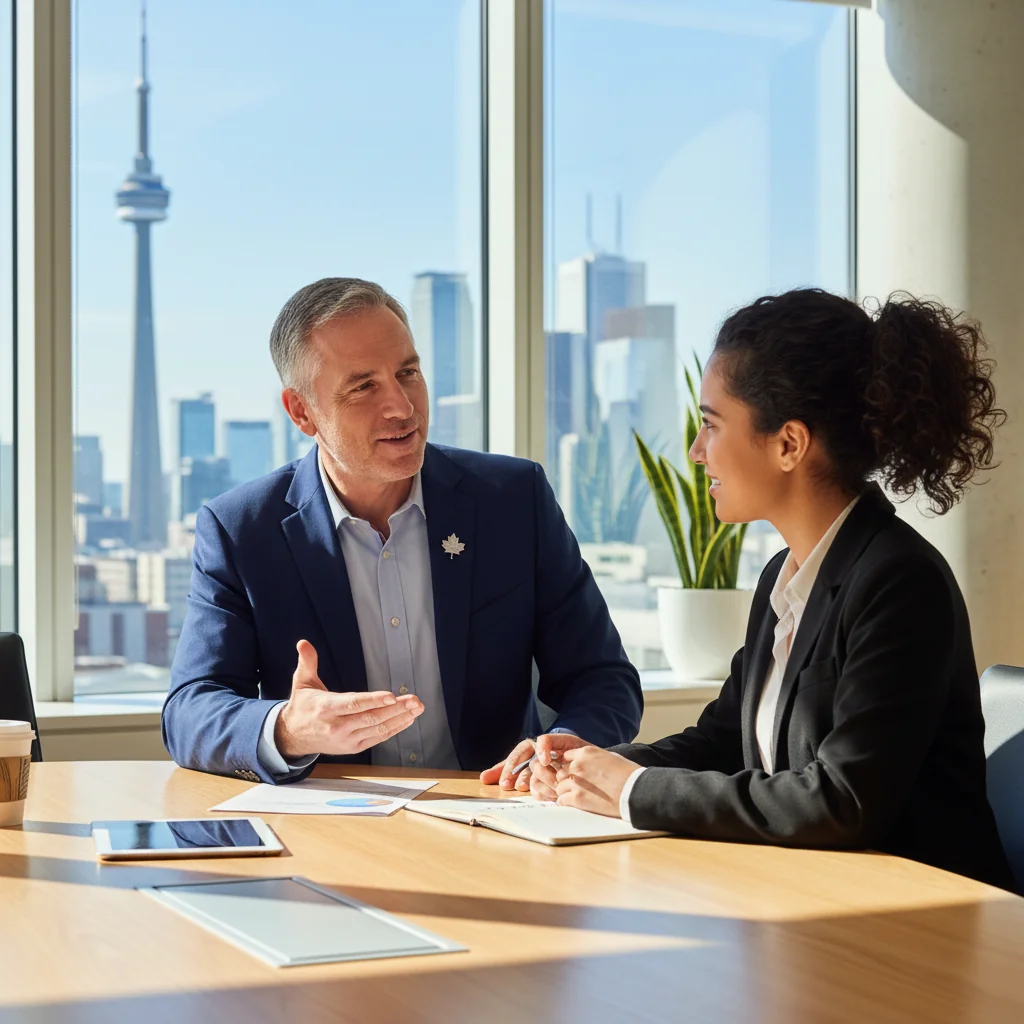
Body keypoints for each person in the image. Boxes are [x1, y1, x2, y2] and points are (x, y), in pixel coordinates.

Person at [525, 288, 1014, 890]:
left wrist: (631, 790)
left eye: (710, 425)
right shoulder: (783, 576)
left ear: (789, 443)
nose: (696, 452)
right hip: (811, 905)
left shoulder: (900, 581)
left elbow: (842, 801)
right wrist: (590, 765)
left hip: (922, 920)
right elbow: (724, 738)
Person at [161, 277, 642, 785]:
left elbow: (603, 678)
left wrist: (568, 745)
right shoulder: (241, 529)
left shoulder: (513, 499)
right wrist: (288, 729)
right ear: (302, 411)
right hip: (337, 833)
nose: (402, 407)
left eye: (408, 372)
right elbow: (190, 711)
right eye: (364, 386)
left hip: (495, 816)